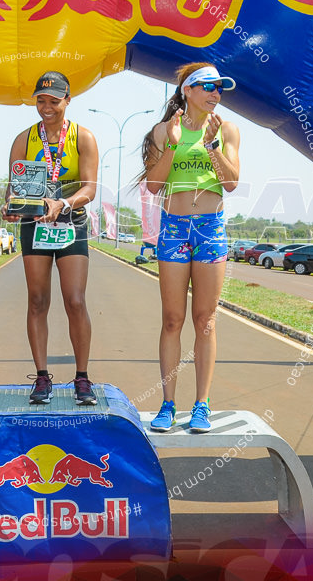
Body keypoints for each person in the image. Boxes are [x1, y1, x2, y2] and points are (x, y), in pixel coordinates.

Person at [139, 63, 241, 433]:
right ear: (188, 90)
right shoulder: (163, 130)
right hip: (174, 229)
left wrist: (212, 145)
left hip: (211, 229)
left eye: (220, 88)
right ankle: (168, 404)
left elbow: (230, 182)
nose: (216, 93)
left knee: (205, 320)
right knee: (172, 319)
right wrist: (172, 141)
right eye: (209, 87)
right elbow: (153, 185)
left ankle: (202, 405)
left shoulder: (226, 129)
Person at [1, 71, 99, 405]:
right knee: (38, 300)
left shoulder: (83, 137)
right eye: (41, 100)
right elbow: (14, 187)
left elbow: (90, 189)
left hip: (72, 225)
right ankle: (42, 377)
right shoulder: (23, 139)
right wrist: (11, 207)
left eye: (54, 101)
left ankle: (82, 378)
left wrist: (63, 203)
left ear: (67, 100)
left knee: (75, 300)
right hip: (34, 225)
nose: (46, 107)